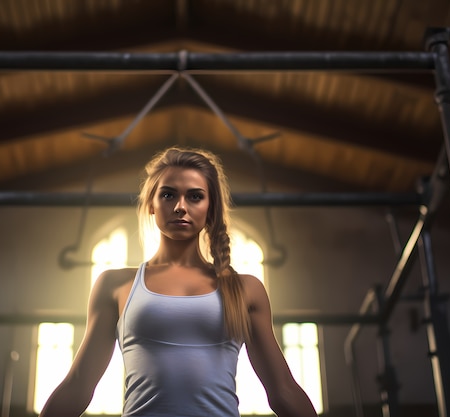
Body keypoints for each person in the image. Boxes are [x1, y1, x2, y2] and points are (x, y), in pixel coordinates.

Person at [39, 146, 318, 417]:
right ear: (151, 203)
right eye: (169, 195)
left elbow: (283, 391)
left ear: (210, 208)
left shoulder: (246, 289)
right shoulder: (115, 284)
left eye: (195, 197)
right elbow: (77, 386)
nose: (180, 207)